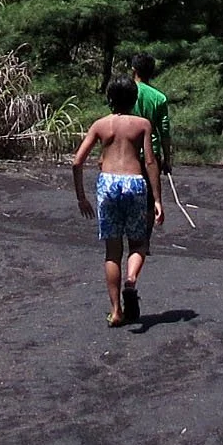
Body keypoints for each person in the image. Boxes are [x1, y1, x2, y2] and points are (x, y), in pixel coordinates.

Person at [72, 76, 164, 327]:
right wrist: (157, 198)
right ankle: (131, 279)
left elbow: (77, 161)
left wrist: (81, 197)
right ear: (134, 99)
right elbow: (150, 162)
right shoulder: (142, 124)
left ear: (110, 98)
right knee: (138, 243)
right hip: (134, 183)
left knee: (113, 251)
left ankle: (116, 312)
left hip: (108, 184)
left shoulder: (100, 125)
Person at [129, 52, 172, 175]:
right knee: (151, 192)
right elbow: (164, 132)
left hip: (128, 151)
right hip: (151, 153)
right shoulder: (159, 98)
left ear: (133, 70)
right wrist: (167, 160)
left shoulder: (124, 93)